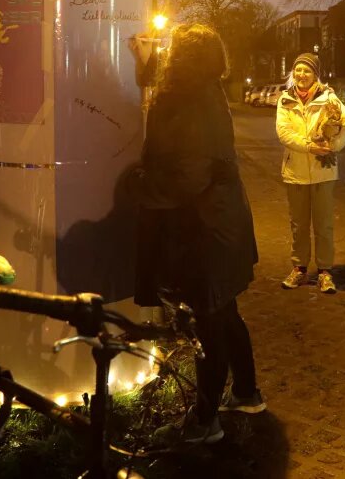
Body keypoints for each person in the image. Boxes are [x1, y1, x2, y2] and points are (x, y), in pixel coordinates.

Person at [126, 24, 265, 444]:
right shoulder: (205, 91)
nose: (165, 55)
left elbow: (188, 175)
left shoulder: (187, 98)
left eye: (171, 51)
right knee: (226, 313)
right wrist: (147, 67)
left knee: (210, 323)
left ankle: (205, 421)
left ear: (183, 58)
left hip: (201, 232)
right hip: (222, 226)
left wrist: (136, 187)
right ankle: (246, 393)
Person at [277, 53, 345, 293]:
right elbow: (284, 133)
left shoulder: (329, 98)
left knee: (323, 224)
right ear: (293, 73)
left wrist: (333, 146)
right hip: (295, 171)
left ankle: (324, 271)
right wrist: (309, 146)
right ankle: (299, 268)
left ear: (315, 75)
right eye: (298, 70)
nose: (302, 75)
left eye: (307, 71)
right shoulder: (285, 100)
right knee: (298, 225)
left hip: (324, 172)